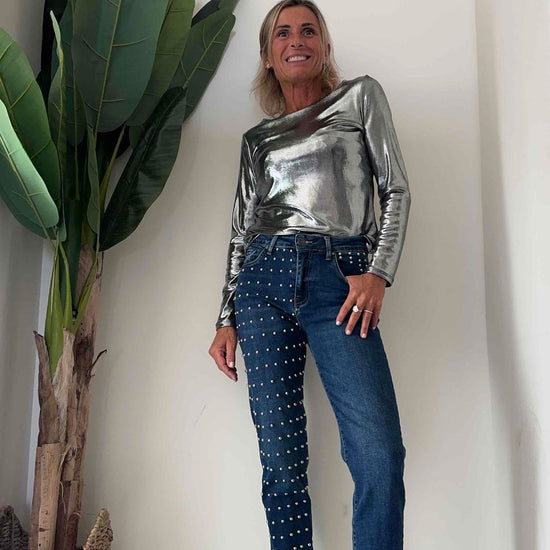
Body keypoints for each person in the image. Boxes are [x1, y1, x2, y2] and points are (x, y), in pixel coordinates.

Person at [208, 1, 411, 548]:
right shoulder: (257, 140)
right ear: (267, 55)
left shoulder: (360, 97)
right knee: (281, 462)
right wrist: (225, 317)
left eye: (307, 30)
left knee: (378, 453)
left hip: (339, 279)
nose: (295, 40)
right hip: (262, 285)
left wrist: (378, 272)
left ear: (323, 45)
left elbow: (395, 188)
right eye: (282, 33)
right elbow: (241, 231)